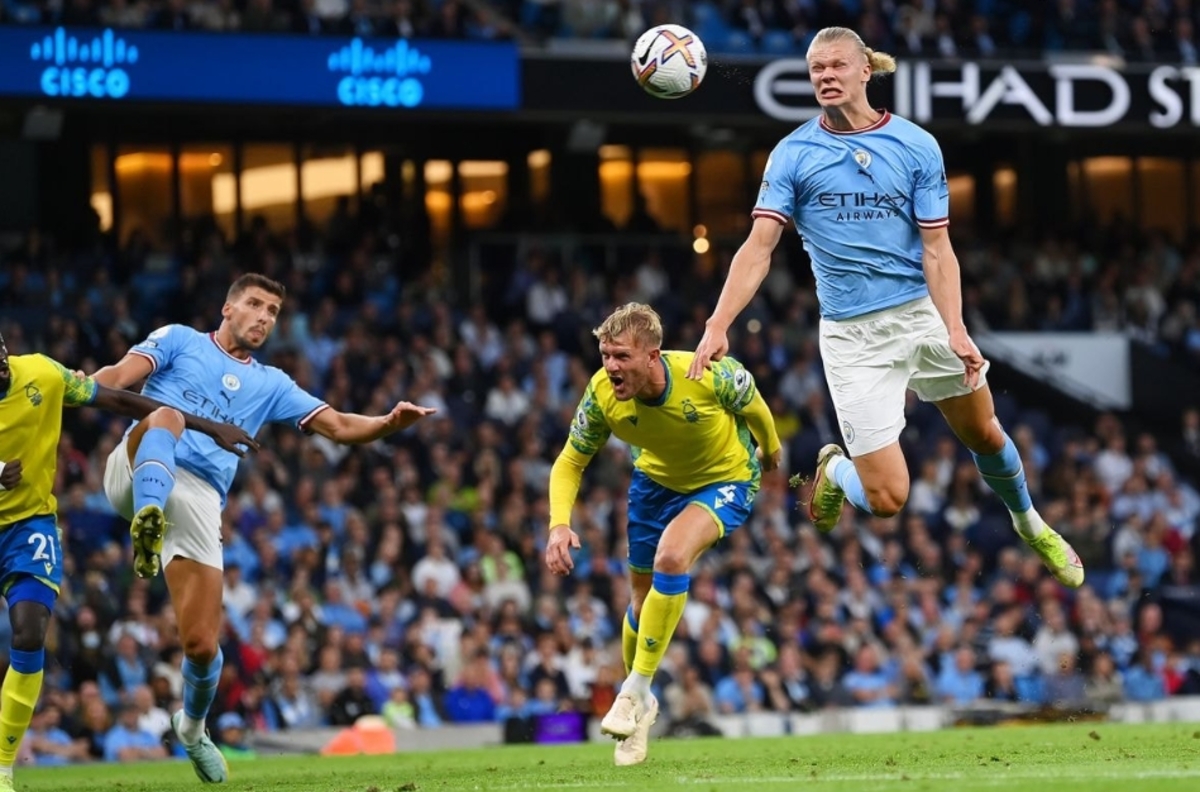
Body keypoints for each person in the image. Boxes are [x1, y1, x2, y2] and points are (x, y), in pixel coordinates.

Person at [688, 26, 1083, 590]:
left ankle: (1031, 523)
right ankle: (833, 470)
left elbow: (937, 248)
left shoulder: (916, 145)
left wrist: (956, 328)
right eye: (816, 69)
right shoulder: (794, 154)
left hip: (921, 315)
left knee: (986, 434)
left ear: (863, 70)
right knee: (888, 498)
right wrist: (717, 324)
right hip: (853, 338)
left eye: (835, 66)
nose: (825, 76)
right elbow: (759, 247)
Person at [89, 273, 435, 783]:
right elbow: (117, 375)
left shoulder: (272, 383)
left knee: (203, 645)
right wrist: (79, 384)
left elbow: (338, 425)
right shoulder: (179, 339)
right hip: (140, 464)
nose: (264, 317)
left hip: (202, 499)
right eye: (254, 304)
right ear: (227, 309)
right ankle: (148, 517)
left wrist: (386, 423)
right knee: (166, 416)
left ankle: (191, 726)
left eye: (272, 311)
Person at [0, 332, 254, 791]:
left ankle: (1, 768)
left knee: (31, 630)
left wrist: (200, 424)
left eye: (1, 357)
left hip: (27, 528)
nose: (2, 368)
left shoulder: (38, 371)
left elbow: (116, 399)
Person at [545, 302, 781, 766]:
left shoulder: (707, 374)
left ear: (653, 355)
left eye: (621, 356)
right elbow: (570, 461)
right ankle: (642, 705)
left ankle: (635, 690)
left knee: (672, 557)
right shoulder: (601, 394)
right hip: (653, 486)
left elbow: (756, 406)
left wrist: (771, 453)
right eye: (606, 355)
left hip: (725, 479)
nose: (610, 366)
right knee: (640, 600)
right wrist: (558, 523)